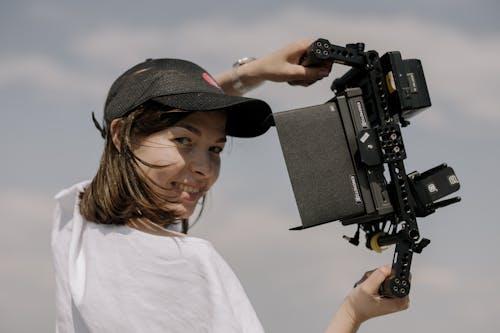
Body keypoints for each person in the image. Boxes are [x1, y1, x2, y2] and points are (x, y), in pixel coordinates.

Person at [51, 39, 409, 333]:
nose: (204, 168)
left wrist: (251, 73)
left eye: (216, 148)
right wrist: (352, 312)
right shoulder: (189, 265)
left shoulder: (77, 221)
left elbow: (148, 112)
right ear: (122, 136)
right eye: (183, 142)